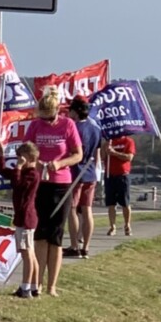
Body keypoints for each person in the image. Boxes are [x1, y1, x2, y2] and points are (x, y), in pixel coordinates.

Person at [24, 87, 82, 297]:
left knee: (55, 236)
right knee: (40, 235)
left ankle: (52, 285)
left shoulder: (68, 125)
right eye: (44, 118)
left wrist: (59, 164)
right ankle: (36, 283)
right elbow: (25, 150)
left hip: (61, 183)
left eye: (50, 118)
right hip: (39, 183)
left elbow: (78, 154)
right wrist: (36, 162)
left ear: (58, 110)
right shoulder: (35, 126)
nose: (47, 122)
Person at [0, 140, 42, 298]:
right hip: (23, 217)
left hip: (26, 218)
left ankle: (26, 287)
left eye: (20, 157)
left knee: (26, 253)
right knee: (30, 252)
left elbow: (18, 185)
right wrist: (1, 154)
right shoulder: (21, 172)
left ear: (29, 157)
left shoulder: (32, 174)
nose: (17, 160)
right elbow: (2, 170)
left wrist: (19, 167)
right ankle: (35, 286)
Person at [64, 96, 103, 259]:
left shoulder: (74, 127)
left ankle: (74, 245)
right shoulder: (96, 126)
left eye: (70, 110)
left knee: (72, 209)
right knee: (87, 210)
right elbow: (98, 150)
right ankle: (86, 246)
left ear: (76, 111)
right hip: (91, 171)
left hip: (76, 171)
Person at [103, 133, 135, 236]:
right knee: (111, 204)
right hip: (109, 175)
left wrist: (114, 153)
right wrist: (105, 150)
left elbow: (129, 157)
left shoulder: (128, 141)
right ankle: (112, 226)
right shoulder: (108, 142)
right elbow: (102, 157)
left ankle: (127, 225)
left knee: (125, 202)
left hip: (123, 175)